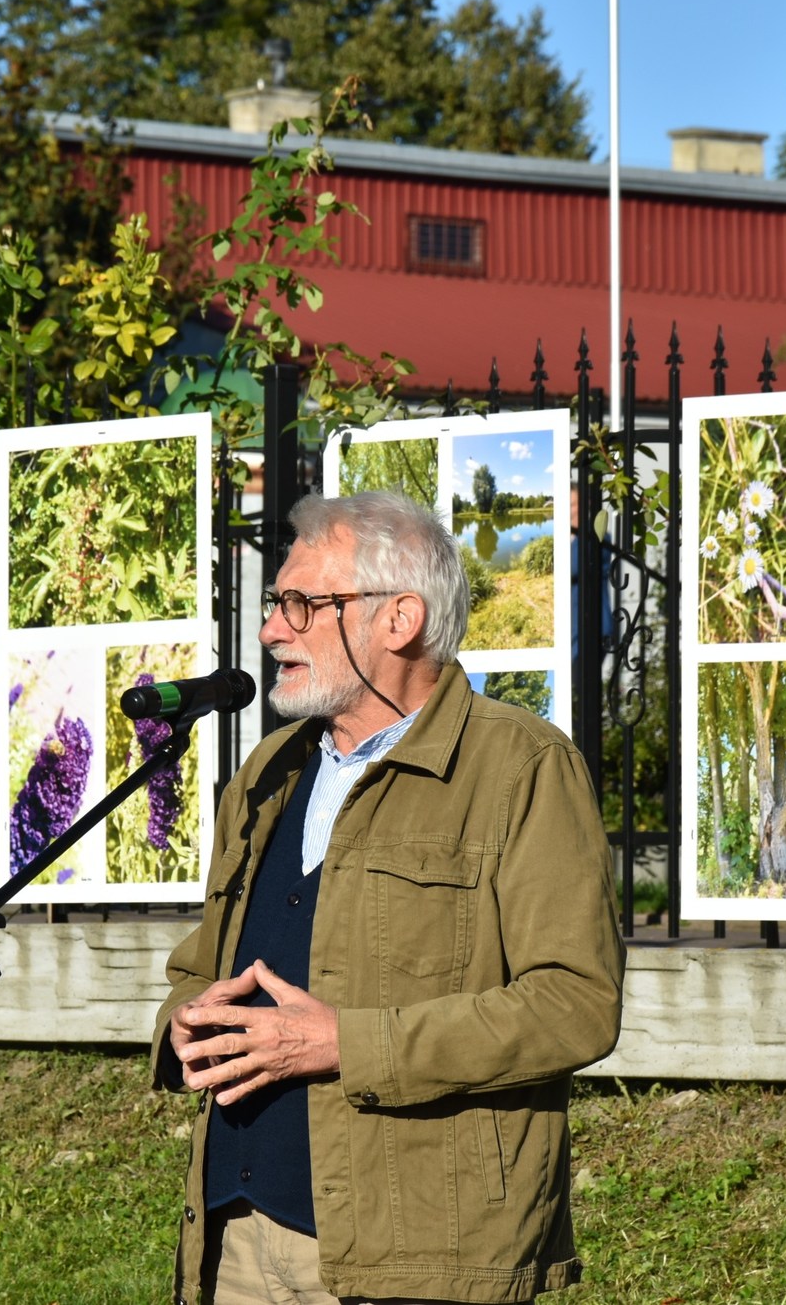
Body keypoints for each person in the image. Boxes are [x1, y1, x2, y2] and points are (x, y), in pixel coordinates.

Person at [153, 490, 624, 1305]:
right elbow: (198, 964)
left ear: (398, 618)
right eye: (276, 604)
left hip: (416, 1255)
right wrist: (184, 1025)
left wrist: (346, 1042)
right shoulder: (267, 772)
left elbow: (575, 1003)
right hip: (235, 1239)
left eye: (302, 604)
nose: (272, 629)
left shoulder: (521, 767)